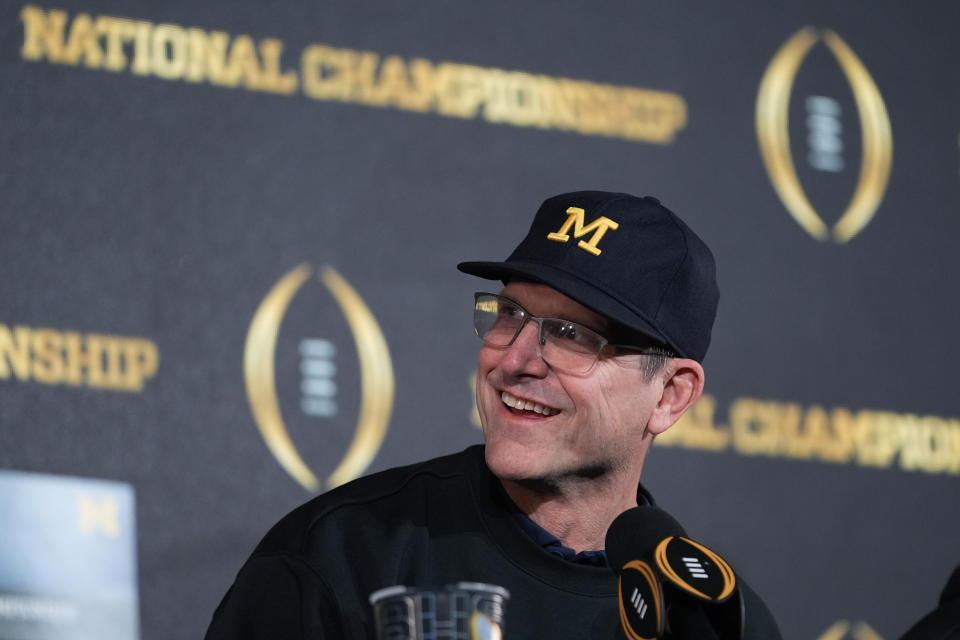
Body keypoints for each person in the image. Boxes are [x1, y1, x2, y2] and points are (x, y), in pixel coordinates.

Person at [204, 190, 781, 638]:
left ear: (671, 395)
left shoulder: (717, 622)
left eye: (572, 335)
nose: (516, 359)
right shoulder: (341, 556)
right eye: (509, 314)